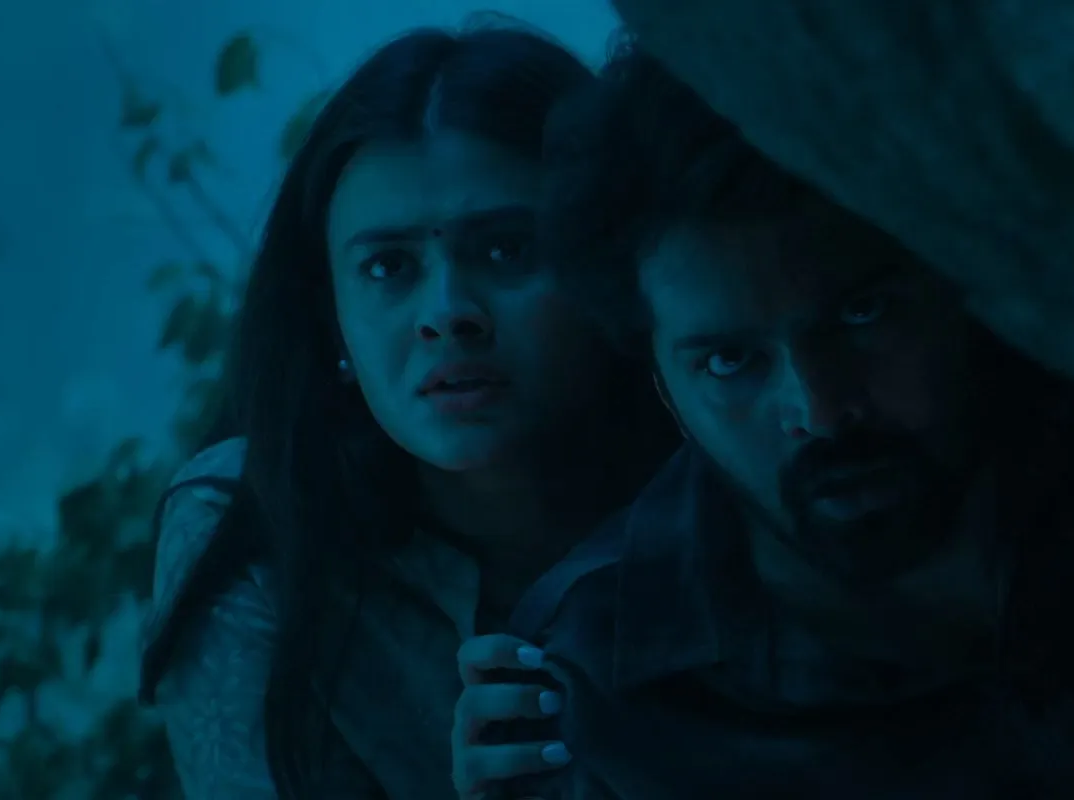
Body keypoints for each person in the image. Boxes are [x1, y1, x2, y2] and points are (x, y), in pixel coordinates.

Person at [461, 37, 1074, 799]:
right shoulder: (597, 686)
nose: (822, 411)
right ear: (661, 378)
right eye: (730, 361)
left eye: (864, 316)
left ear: (949, 276)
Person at [136, 24, 679, 800]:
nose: (447, 312)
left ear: (608, 269)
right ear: (331, 318)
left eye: (506, 249)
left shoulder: (729, 476)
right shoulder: (256, 525)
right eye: (389, 266)